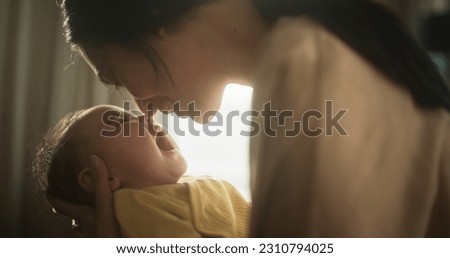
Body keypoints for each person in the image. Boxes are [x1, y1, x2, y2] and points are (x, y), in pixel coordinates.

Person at [50, 0, 450, 237]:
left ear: (152, 16)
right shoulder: (325, 50)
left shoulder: (308, 66)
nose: (142, 107)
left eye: (115, 77)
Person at [34, 105, 250, 237]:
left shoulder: (184, 186)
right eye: (120, 122)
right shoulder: (138, 207)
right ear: (100, 177)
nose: (146, 117)